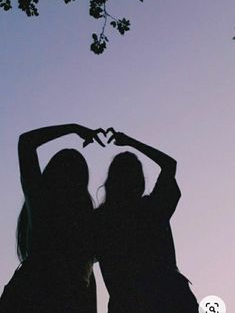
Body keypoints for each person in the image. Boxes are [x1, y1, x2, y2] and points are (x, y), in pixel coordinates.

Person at [0, 123, 105, 313]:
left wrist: (74, 128)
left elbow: (26, 142)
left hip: (25, 297)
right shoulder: (87, 226)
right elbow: (89, 283)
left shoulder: (42, 204)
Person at [94, 128, 199, 313]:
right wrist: (130, 142)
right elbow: (169, 165)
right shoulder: (152, 208)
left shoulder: (102, 219)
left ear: (111, 181)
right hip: (172, 299)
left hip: (127, 304)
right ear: (139, 181)